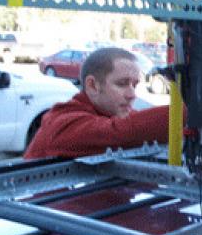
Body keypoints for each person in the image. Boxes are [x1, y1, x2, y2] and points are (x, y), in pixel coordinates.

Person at [24, 47, 169, 159]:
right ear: (92, 85)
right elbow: (120, 132)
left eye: (134, 85)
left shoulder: (111, 113)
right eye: (122, 84)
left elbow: (141, 123)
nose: (132, 95)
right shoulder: (62, 123)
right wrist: (186, 113)